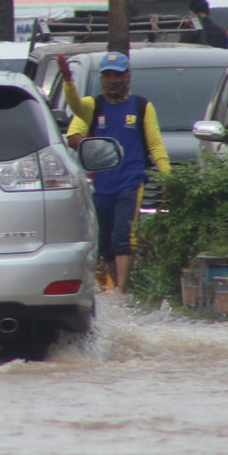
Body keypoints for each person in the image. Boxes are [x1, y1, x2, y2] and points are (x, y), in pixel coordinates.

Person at [57, 51, 171, 295]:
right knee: (105, 241)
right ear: (101, 78)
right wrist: (68, 80)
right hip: (101, 184)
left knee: (124, 236)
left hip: (131, 182)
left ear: (127, 75)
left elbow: (155, 144)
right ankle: (112, 285)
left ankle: (121, 290)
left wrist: (167, 177)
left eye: (117, 74)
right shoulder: (93, 106)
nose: (112, 80)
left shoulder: (141, 107)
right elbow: (75, 109)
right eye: (107, 75)